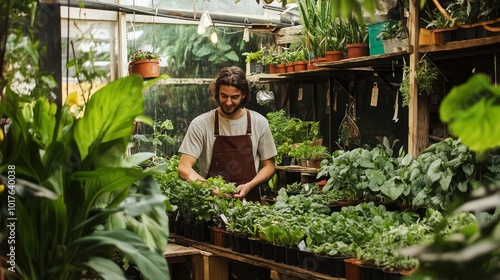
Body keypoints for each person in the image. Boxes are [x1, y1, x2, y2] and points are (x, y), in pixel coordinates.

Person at [177, 66, 277, 202]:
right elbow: (184, 168)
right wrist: (211, 188)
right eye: (224, 96)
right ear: (217, 93)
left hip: (250, 207)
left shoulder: (259, 122)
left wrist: (250, 185)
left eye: (234, 97)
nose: (228, 102)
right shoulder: (201, 124)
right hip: (212, 205)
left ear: (244, 95)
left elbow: (269, 166)